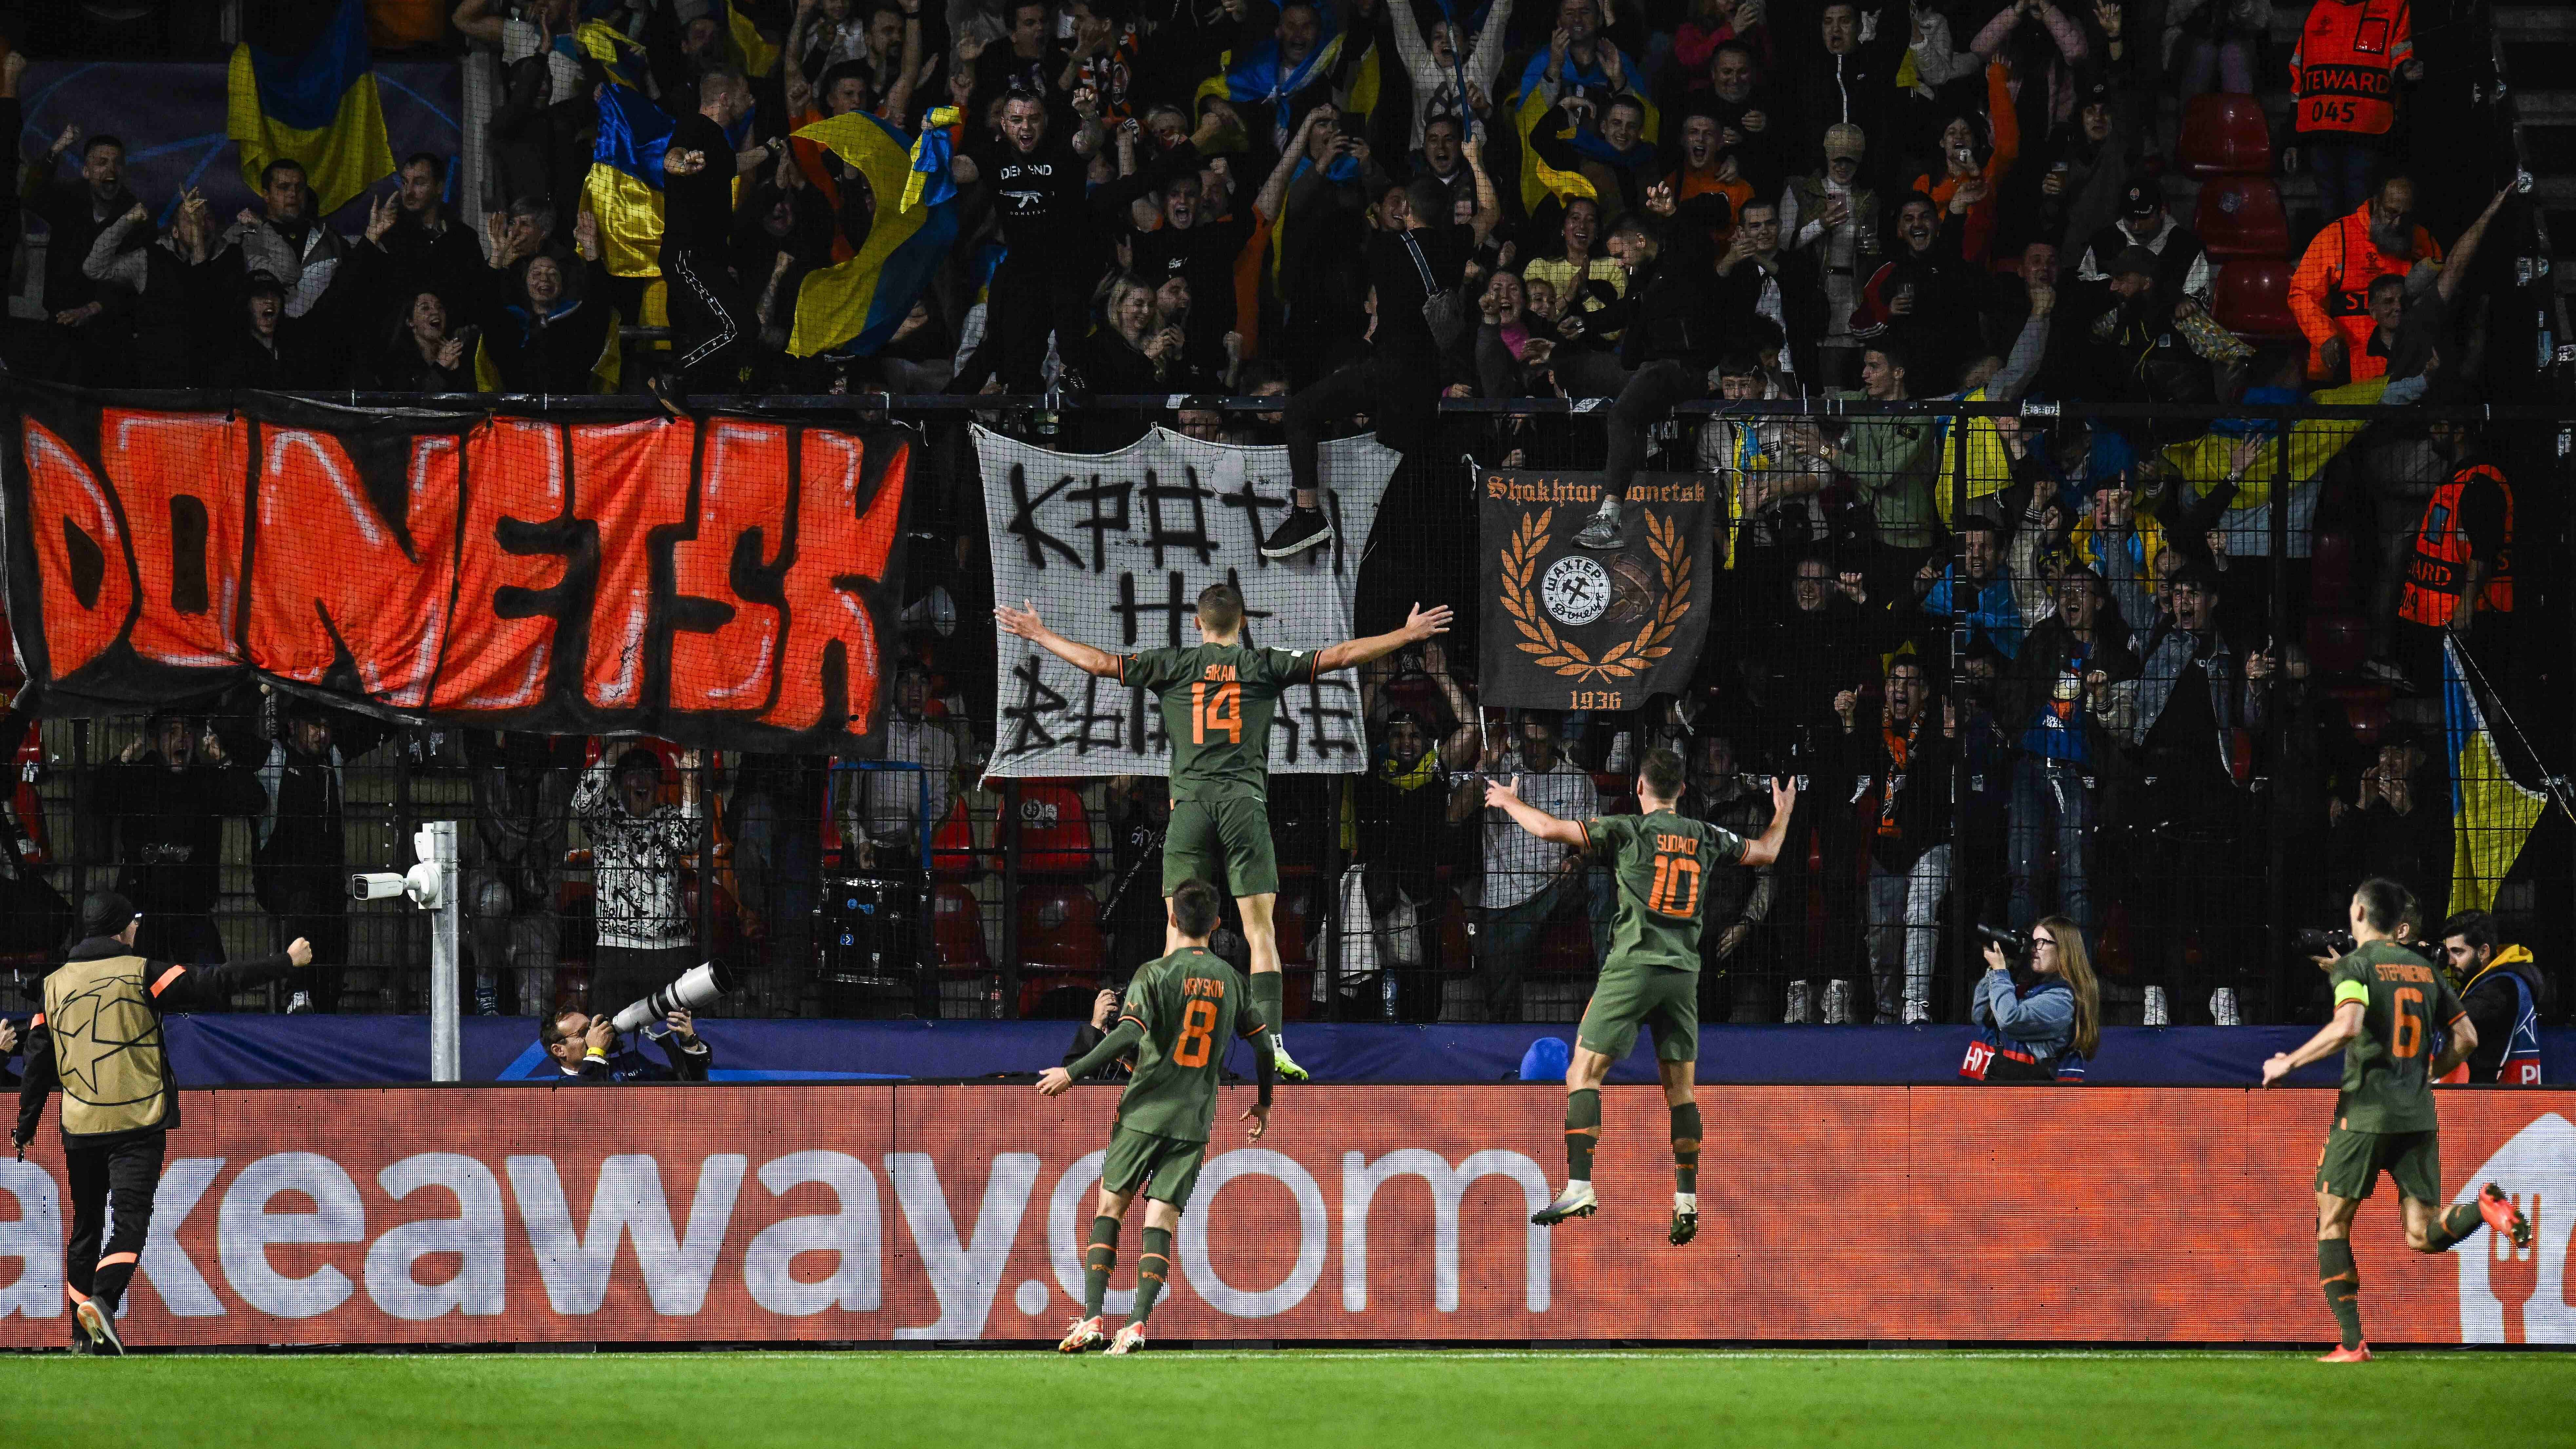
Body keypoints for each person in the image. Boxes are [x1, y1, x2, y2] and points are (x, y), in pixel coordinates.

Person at [995, 584, 1456, 1077]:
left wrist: (1039, 634)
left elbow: (1101, 664)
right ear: (1242, 624)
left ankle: (1162, 1041)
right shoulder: (1262, 665)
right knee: (1261, 933)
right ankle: (1274, 1046)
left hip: (1190, 809)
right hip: (1243, 808)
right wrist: (1406, 634)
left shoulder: (1172, 663)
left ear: (1197, 623)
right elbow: (1343, 655)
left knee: (1178, 937)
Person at [1486, 748, 1792, 1244]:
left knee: (1583, 1072)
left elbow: (1547, 829)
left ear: (1640, 789)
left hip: (1632, 967)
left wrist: (1506, 800)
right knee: (1680, 1092)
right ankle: (1686, 1198)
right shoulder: (1705, 835)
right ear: (1683, 791)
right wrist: (1783, 810)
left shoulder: (1627, 829)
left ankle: (1580, 1184)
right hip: (1683, 974)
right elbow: (1768, 852)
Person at [12, 892, 313, 1355]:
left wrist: (26, 1125)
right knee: (130, 1221)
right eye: (133, 922)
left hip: (80, 1124)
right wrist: (285, 962)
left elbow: (37, 1063)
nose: (138, 928)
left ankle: (79, 1338)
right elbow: (216, 980)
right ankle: (103, 1299)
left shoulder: (53, 986)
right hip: (137, 1120)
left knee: (85, 1226)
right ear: (120, 930)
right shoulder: (143, 972)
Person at [2259, 877, 2533, 1362]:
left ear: (2361, 915)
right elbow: (2466, 1037)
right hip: (2417, 1114)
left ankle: (2351, 1343)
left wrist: (2288, 1063)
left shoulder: (2354, 965)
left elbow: (2346, 1026)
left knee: (2331, 1222)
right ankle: (2485, 1209)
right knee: (2423, 1234)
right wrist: (2429, 1074)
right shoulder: (2426, 970)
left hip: (2364, 1113)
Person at [1037, 878, 1277, 1355]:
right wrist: (1264, 1101)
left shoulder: (1154, 974)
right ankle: (1137, 1323)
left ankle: (1090, 1319)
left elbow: (1128, 1034)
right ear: (1216, 924)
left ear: (1172, 919)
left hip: (1143, 1111)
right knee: (1161, 1221)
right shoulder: (1231, 980)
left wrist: (1073, 1072)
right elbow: (1264, 1045)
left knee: (1111, 1209)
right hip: (1191, 1121)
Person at [1264, 147, 1500, 560]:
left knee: (1299, 411)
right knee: (1413, 470)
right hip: (1426, 382)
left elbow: (1360, 224)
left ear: (1406, 209)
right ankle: (1436, 547)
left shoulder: (1386, 249)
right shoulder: (1452, 245)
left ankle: (1308, 516)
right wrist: (1475, 160)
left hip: (1388, 371)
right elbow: (1490, 213)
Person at [650, 66, 774, 408]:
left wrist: (771, 150)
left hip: (706, 259)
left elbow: (731, 166)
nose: (750, 101)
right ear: (724, 98)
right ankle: (670, 378)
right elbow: (672, 158)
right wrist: (683, 166)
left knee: (719, 334)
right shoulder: (695, 127)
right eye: (745, 94)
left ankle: (693, 395)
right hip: (689, 258)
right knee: (739, 327)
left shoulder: (715, 141)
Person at [571, 746, 706, 1015]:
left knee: (672, 1035)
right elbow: (581, 803)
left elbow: (691, 840)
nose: (642, 781)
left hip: (670, 950)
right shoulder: (606, 819)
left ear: (657, 786)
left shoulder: (668, 817)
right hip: (617, 947)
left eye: (649, 774)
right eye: (633, 774)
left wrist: (690, 781)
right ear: (620, 783)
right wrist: (613, 753)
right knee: (608, 1033)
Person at [2288, 174, 2439, 384]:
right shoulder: (2336, 236)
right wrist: (2324, 336)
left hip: (2403, 369)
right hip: (2342, 370)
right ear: (2376, 204)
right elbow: (2301, 293)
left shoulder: (2422, 240)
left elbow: (2441, 294)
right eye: (2391, 213)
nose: (2397, 224)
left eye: (2406, 216)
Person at [1967, 914, 2099, 1080]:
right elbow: (1980, 1015)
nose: (2033, 949)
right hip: (2002, 1087)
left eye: (2042, 943)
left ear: (2064, 950)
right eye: (2033, 942)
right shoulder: (2030, 987)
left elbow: (2009, 1019)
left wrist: (2000, 972)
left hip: (2028, 1097)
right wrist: (1999, 970)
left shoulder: (2062, 1001)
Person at [2434, 910, 2545, 1085]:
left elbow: (2451, 1022)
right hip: (2497, 1097)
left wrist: (2424, 977)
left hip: (2500, 1103)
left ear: (2483, 952)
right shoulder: (2486, 981)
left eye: (2458, 952)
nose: (2450, 962)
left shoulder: (2501, 988)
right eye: (2448, 952)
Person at [538, 1004, 714, 1081]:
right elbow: (588, 1106)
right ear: (559, 1050)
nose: (595, 1034)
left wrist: (689, 1042)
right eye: (585, 1032)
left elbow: (692, 1095)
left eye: (592, 1027)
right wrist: (596, 1052)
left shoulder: (631, 1063)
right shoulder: (561, 1093)